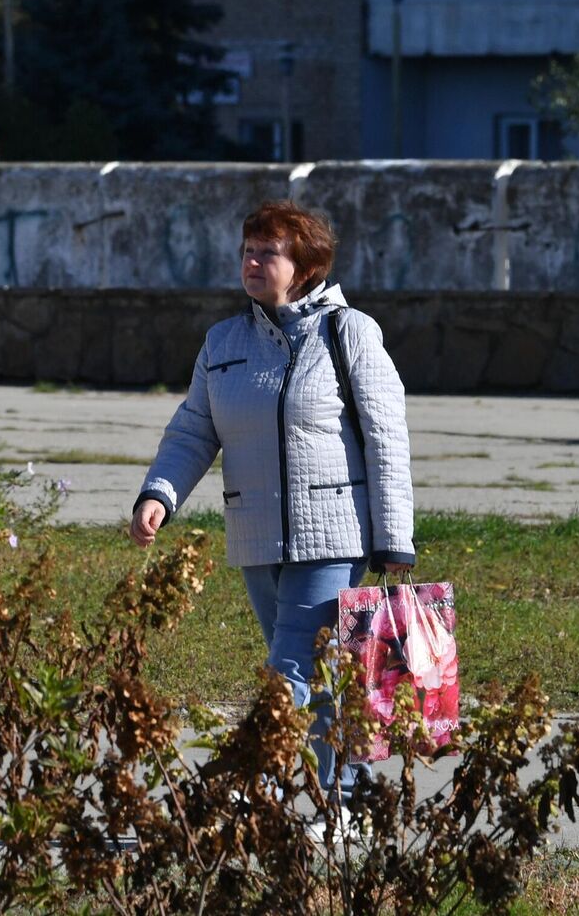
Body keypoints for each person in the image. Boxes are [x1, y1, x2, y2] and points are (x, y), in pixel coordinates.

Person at [130, 200, 416, 802]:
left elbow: (388, 439)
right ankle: (349, 791)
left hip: (334, 534)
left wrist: (394, 541)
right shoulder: (225, 341)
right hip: (257, 535)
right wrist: (160, 493)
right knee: (316, 674)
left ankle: (241, 779)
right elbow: (193, 430)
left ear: (305, 266)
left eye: (269, 252)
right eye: (247, 251)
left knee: (291, 671)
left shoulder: (350, 333)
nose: (253, 262)